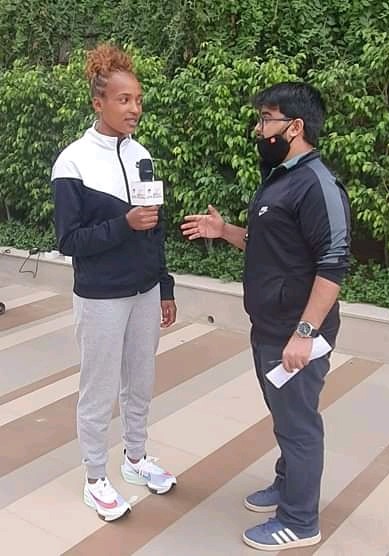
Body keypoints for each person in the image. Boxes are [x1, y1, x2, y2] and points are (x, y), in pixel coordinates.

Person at [181, 82, 351, 550]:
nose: (259, 129)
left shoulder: (317, 185)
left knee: (299, 426)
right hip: (269, 327)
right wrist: (223, 230)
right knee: (284, 416)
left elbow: (333, 266)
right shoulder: (281, 178)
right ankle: (286, 484)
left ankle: (300, 521)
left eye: (265, 120)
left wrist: (304, 333)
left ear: (294, 127)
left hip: (296, 334)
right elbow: (269, 246)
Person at [52, 44, 177, 522]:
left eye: (138, 99)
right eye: (124, 100)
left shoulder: (142, 155)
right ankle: (94, 478)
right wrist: (124, 224)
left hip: (144, 291)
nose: (134, 109)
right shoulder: (73, 162)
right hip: (101, 296)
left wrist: (164, 285)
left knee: (141, 381)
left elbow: (155, 227)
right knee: (99, 388)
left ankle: (136, 458)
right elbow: (69, 241)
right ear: (98, 103)